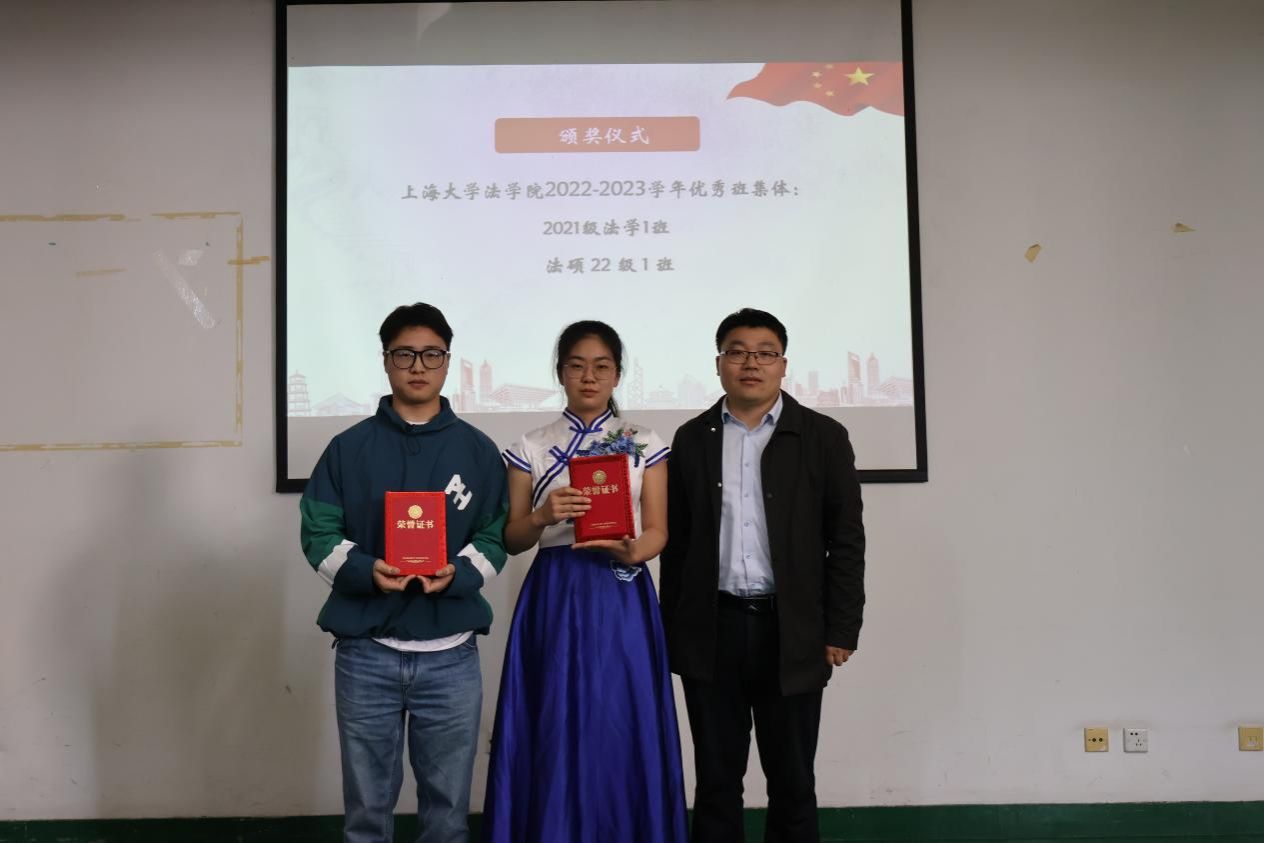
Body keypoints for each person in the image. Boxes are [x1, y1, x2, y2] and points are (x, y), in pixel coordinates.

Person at [300, 302, 509, 843]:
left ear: (447, 361)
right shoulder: (348, 449)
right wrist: (368, 571)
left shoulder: (478, 450)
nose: (418, 366)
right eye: (404, 354)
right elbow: (318, 533)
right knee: (367, 814)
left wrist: (457, 575)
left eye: (432, 354)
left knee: (447, 816)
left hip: (451, 656)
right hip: (366, 653)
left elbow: (494, 537)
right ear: (386, 360)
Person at [660, 308, 866, 843]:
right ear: (719, 363)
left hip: (792, 630)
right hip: (713, 628)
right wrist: (671, 631)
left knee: (793, 782)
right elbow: (676, 546)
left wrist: (841, 627)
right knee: (715, 783)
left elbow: (846, 540)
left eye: (765, 353)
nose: (751, 363)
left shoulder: (823, 436)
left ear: (783, 365)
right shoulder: (692, 439)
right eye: (737, 352)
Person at [483, 320, 689, 843]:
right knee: (553, 714)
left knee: (621, 713)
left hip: (621, 587)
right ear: (560, 373)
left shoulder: (644, 442)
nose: (589, 377)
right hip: (555, 590)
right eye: (577, 366)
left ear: (618, 373)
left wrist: (634, 550)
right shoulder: (530, 445)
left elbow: (658, 529)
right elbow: (513, 539)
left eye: (601, 366)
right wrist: (543, 515)